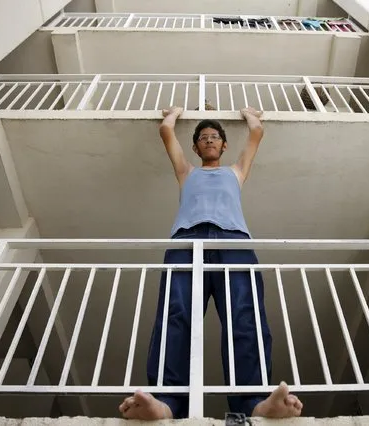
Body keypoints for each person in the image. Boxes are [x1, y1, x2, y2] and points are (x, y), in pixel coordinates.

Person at [119, 106, 303, 420]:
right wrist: (173, 114)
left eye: (214, 137)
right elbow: (166, 132)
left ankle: (253, 401)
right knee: (176, 315)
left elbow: (256, 134)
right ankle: (167, 402)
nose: (208, 141)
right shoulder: (186, 171)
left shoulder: (236, 171)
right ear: (195, 147)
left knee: (245, 316)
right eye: (202, 138)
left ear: (224, 145)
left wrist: (249, 116)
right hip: (186, 241)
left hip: (233, 240)